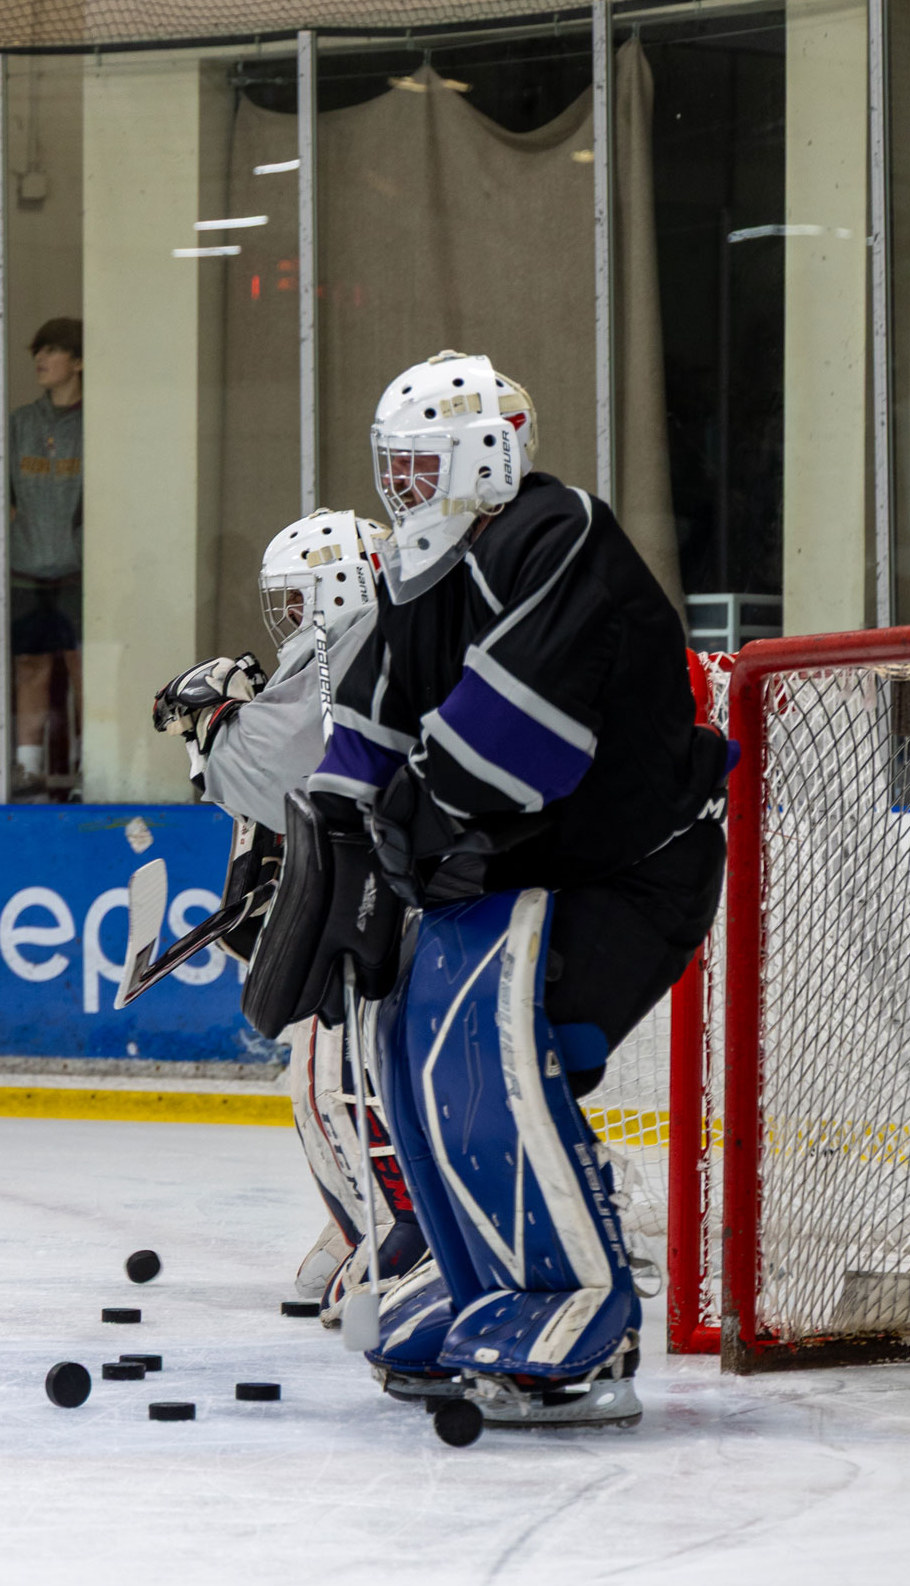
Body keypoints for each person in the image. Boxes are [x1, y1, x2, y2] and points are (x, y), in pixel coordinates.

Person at [290, 350, 730, 1430]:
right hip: (516, 878)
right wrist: (346, 838)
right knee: (416, 1052)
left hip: (630, 872)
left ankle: (574, 1300)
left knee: (498, 1057)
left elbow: (520, 730)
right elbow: (374, 713)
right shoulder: (419, 571)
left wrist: (415, 816)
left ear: (484, 454)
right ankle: (482, 1271)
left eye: (418, 466)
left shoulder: (558, 531)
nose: (400, 492)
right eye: (390, 469)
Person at [152, 510, 424, 1310]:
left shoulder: (359, 645)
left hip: (387, 901)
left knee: (333, 1074)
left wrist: (212, 730)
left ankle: (394, 1231)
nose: (291, 618)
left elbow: (281, 768)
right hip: (385, 893)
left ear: (339, 583)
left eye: (299, 597)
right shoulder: (358, 646)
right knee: (324, 1073)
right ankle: (358, 1225)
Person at [8, 318, 84, 800]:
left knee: (82, 667)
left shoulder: (98, 422)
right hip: (26, 566)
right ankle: (28, 769)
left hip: (82, 569)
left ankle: (89, 767)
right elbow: (2, 495)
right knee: (31, 667)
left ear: (78, 361)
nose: (41, 359)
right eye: (38, 350)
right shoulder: (20, 423)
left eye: (53, 350)